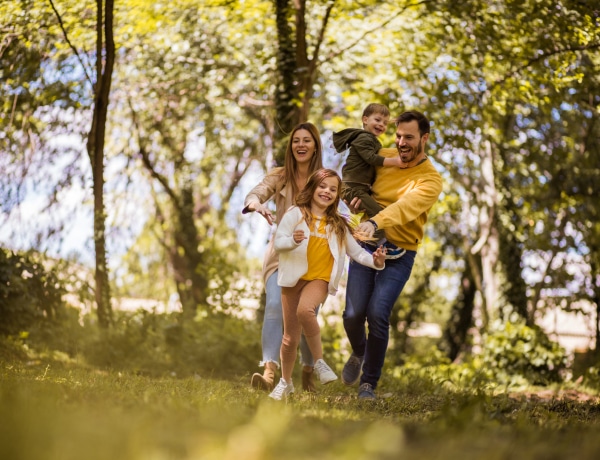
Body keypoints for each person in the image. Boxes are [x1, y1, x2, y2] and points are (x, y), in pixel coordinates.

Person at [341, 110, 443, 400]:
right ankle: (360, 352)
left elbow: (405, 207)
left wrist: (375, 221)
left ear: (424, 138)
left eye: (409, 137)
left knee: (377, 313)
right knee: (352, 315)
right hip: (366, 244)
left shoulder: (430, 179)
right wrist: (354, 198)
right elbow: (353, 178)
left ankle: (368, 384)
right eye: (398, 136)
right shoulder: (383, 155)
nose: (401, 143)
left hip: (400, 252)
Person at [268, 168, 386, 400]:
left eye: (333, 189)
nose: (327, 192)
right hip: (293, 278)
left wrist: (375, 261)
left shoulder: (339, 224)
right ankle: (285, 382)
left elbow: (356, 252)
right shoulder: (295, 214)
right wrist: (292, 241)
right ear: (313, 188)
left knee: (305, 310)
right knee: (289, 337)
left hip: (319, 280)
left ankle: (319, 362)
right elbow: (279, 242)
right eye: (323, 186)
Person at [242, 122, 324, 393]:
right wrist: (256, 204)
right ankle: (269, 373)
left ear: (315, 147)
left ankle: (308, 371)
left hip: (315, 257)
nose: (300, 145)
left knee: (306, 313)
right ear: (291, 147)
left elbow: (342, 208)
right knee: (275, 306)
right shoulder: (280, 176)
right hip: (282, 254)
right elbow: (256, 192)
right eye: (296, 141)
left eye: (306, 140)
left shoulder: (324, 179)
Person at [332, 103, 403, 246]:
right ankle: (372, 243)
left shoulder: (371, 139)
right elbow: (371, 158)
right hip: (352, 188)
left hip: (358, 187)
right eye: (377, 120)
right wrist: (395, 161)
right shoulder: (364, 138)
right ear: (365, 119)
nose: (381, 125)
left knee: (377, 211)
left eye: (385, 123)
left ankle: (364, 239)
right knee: (379, 215)